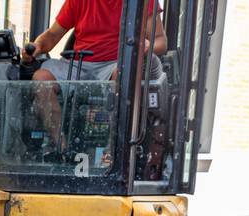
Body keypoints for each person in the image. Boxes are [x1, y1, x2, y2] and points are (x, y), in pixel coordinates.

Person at [22, 0, 167, 151]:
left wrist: (147, 46)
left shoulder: (142, 3)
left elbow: (160, 42)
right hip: (79, 63)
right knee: (41, 79)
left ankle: (113, 151)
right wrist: (38, 45)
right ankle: (61, 147)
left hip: (116, 63)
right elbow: (52, 35)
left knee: (123, 75)